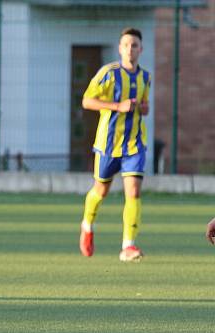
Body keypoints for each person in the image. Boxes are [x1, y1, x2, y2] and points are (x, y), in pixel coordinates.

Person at [79, 27, 151, 262]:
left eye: (135, 45)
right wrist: (117, 106)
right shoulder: (108, 73)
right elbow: (87, 101)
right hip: (108, 145)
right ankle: (87, 224)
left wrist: (143, 108)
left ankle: (128, 245)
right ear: (120, 48)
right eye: (126, 45)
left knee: (134, 191)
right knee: (101, 190)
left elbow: (144, 105)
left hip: (135, 144)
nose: (130, 49)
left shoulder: (145, 77)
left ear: (141, 49)